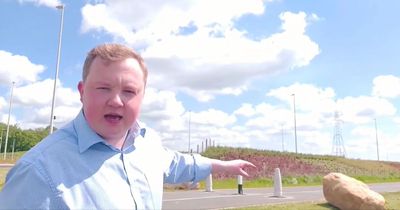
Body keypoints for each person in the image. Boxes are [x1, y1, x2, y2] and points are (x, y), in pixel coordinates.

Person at [0, 43, 256, 209]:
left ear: (142, 97)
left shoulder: (146, 143)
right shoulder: (37, 173)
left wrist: (223, 165)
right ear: (82, 92)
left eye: (129, 91)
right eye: (103, 88)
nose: (116, 101)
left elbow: (176, 164)